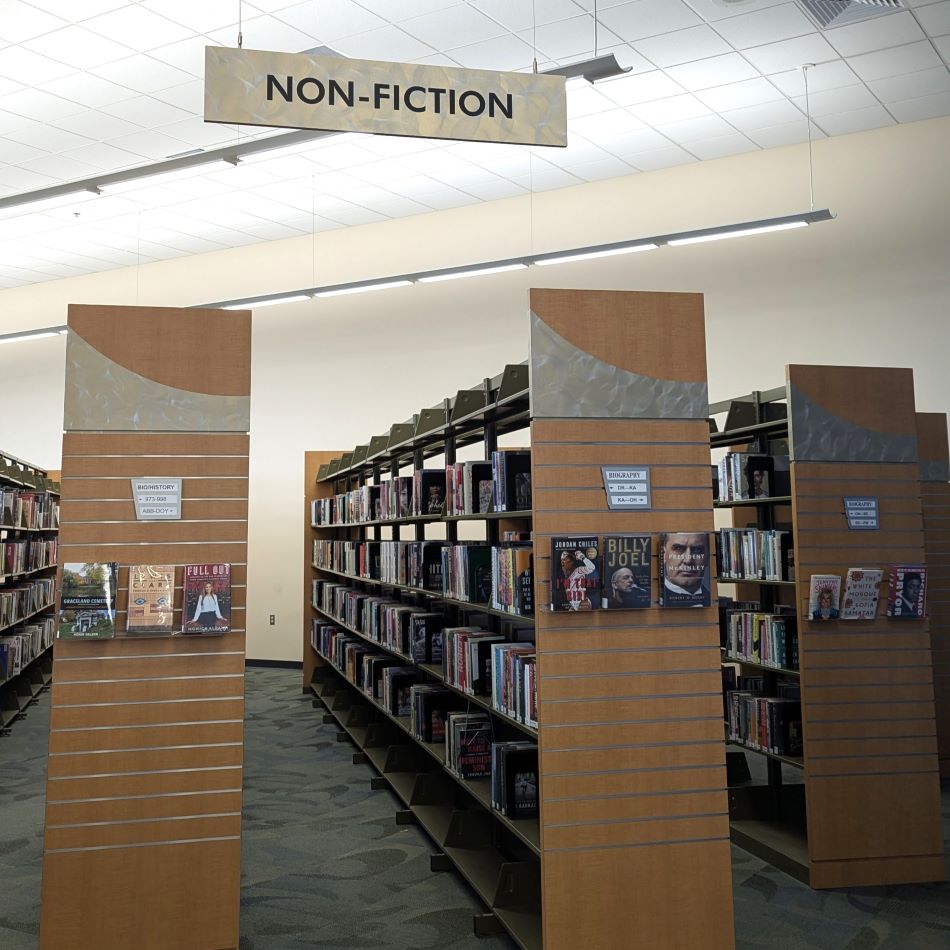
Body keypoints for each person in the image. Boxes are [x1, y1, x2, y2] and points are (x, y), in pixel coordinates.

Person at [661, 533, 709, 606]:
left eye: (697, 550)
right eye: (678, 549)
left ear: (707, 558)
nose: (688, 560)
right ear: (663, 554)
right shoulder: (652, 599)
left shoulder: (712, 601)